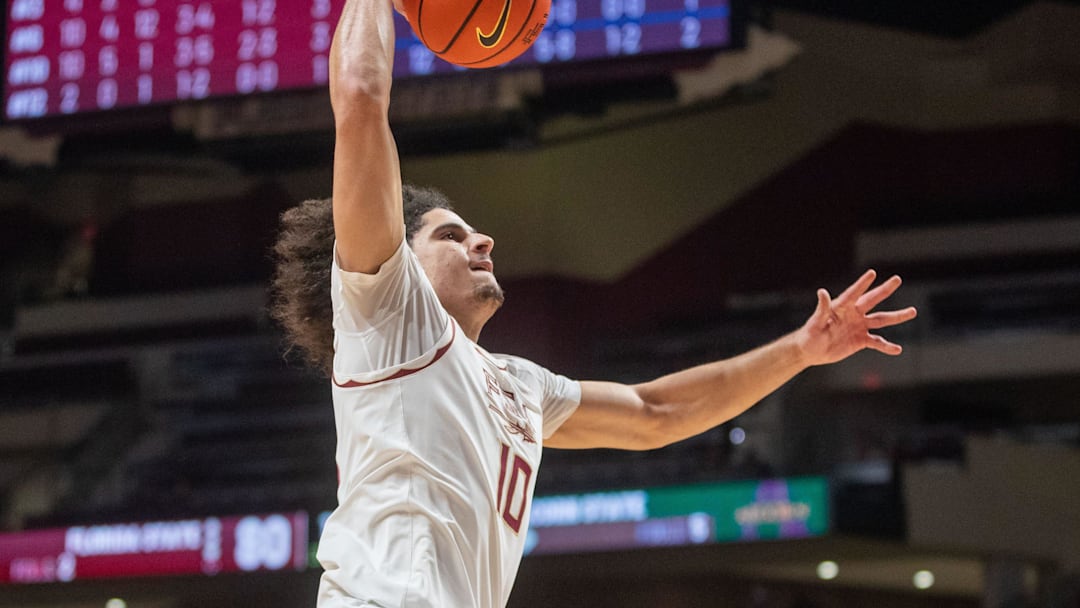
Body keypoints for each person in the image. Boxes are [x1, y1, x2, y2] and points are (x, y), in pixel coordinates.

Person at [269, 0, 918, 605]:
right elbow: (359, 98)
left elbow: (655, 412)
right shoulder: (387, 318)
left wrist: (802, 350)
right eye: (451, 234)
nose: (482, 239)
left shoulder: (518, 386)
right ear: (400, 261)